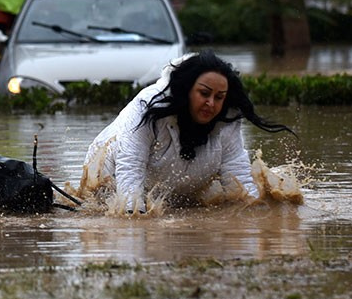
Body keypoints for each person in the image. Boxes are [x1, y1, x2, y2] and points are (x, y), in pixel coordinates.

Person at [80, 51, 294, 214]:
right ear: (186, 89)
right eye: (204, 93)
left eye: (219, 97)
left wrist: (262, 215)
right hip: (110, 173)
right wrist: (133, 216)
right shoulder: (147, 107)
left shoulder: (227, 117)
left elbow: (237, 174)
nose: (211, 103)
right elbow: (130, 167)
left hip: (176, 182)